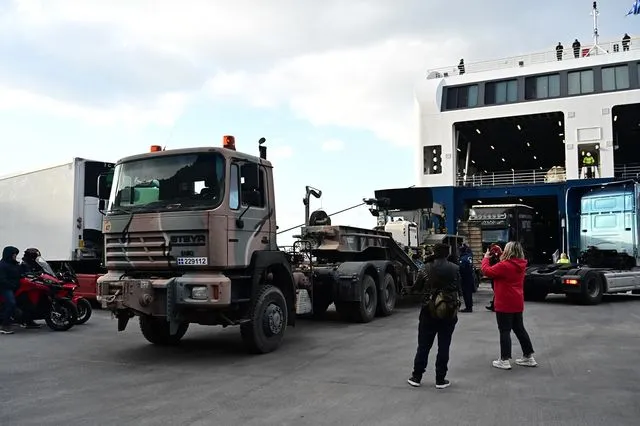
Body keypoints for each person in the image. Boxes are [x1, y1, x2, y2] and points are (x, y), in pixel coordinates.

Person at [407, 243, 462, 389]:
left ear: (434, 252)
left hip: (428, 311)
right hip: (449, 312)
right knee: (444, 345)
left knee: (423, 345)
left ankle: (416, 376)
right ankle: (440, 379)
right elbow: (459, 289)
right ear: (447, 253)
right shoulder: (455, 268)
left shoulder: (425, 268)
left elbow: (416, 287)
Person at [481, 241, 537, 370]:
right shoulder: (521, 264)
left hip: (504, 303)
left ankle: (504, 359)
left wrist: (485, 259)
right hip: (517, 301)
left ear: (509, 251)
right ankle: (528, 356)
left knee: (504, 331)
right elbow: (505, 263)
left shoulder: (504, 266)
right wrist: (499, 252)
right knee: (519, 329)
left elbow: (486, 271)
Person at [18, 248, 43, 329]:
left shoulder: (34, 263)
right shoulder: (24, 264)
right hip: (24, 286)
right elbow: (26, 274)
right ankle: (26, 321)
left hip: (29, 285)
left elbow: (41, 270)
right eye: (36, 256)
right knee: (27, 302)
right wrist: (34, 275)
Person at [0, 246, 21, 335]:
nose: (15, 256)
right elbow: (2, 280)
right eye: (14, 254)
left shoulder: (14, 264)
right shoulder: (2, 265)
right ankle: (4, 325)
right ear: (9, 254)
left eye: (16, 254)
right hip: (5, 288)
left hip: (14, 286)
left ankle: (28, 321)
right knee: (11, 302)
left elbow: (20, 272)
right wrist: (12, 285)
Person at [485, 244, 502, 311]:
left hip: (494, 274)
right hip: (495, 273)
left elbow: (487, 270)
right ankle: (493, 304)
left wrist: (486, 258)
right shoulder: (498, 253)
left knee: (496, 290)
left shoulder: (494, 254)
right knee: (496, 290)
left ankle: (494, 305)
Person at [459, 243, 474, 312]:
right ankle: (470, 306)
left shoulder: (463, 259)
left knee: (466, 293)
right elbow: (470, 251)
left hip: (465, 277)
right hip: (470, 276)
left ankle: (468, 307)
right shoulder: (469, 256)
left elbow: (461, 269)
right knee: (469, 293)